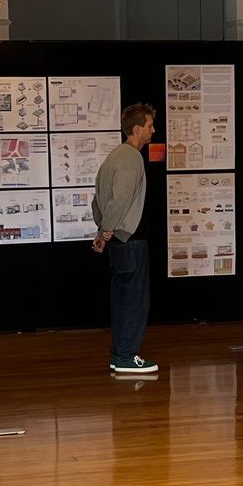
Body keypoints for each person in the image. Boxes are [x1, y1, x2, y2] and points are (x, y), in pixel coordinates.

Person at [91, 102, 158, 376]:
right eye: (150, 125)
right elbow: (120, 199)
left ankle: (120, 354)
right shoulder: (131, 158)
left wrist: (102, 230)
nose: (153, 130)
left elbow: (97, 199)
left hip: (119, 241)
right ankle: (126, 357)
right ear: (137, 129)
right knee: (134, 300)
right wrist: (106, 229)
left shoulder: (114, 156)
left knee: (121, 299)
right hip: (131, 241)